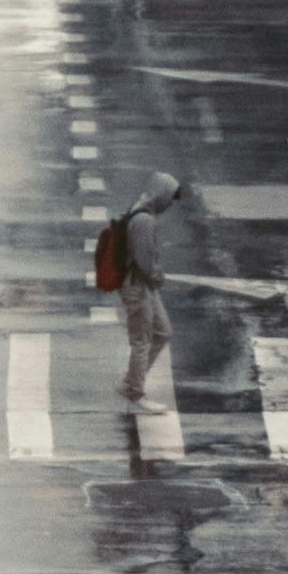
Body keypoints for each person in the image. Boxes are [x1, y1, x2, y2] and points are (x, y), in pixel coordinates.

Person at [104, 164, 183, 418]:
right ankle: (134, 391)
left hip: (141, 285)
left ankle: (130, 383)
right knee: (142, 341)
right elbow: (145, 261)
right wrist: (157, 275)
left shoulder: (139, 211)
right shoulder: (144, 220)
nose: (170, 204)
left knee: (162, 332)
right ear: (161, 195)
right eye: (170, 198)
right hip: (136, 287)